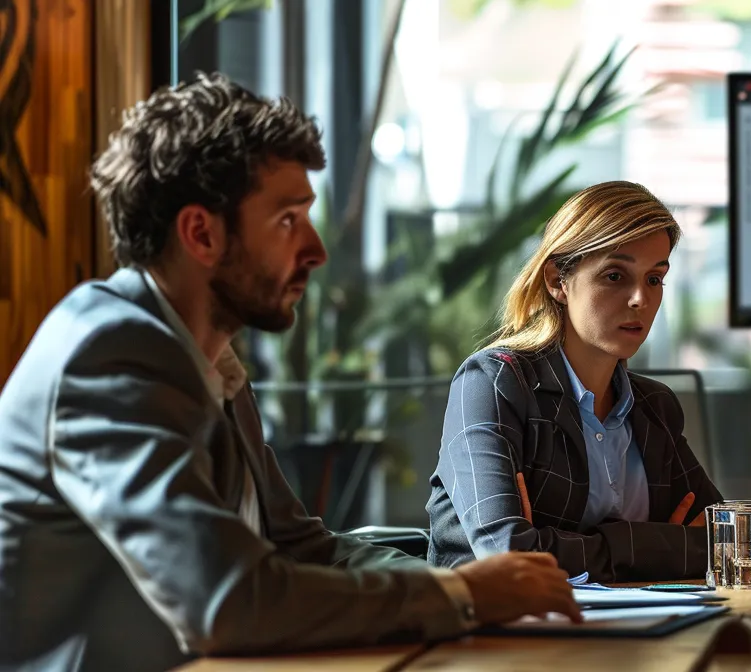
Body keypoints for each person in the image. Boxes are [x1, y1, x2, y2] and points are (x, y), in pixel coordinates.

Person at [0, 74, 579, 672]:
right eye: (287, 219)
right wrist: (463, 596)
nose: (316, 249)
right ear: (201, 233)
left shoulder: (212, 363)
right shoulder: (110, 355)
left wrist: (477, 584)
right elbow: (227, 602)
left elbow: (300, 547)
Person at [427, 181, 723, 583]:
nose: (640, 298)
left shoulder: (654, 406)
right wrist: (660, 544)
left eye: (655, 279)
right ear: (557, 280)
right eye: (615, 276)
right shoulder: (493, 383)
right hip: (504, 619)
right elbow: (511, 555)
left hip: (639, 618)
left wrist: (558, 544)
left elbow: (727, 542)